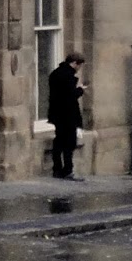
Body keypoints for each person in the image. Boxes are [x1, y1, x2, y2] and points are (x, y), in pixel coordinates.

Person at [48, 52, 87, 181]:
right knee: (69, 144)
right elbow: (70, 96)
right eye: (79, 66)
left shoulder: (55, 73)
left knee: (59, 141)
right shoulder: (68, 76)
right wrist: (81, 89)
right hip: (67, 114)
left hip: (57, 113)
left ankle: (57, 169)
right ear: (75, 63)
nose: (79, 69)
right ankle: (67, 170)